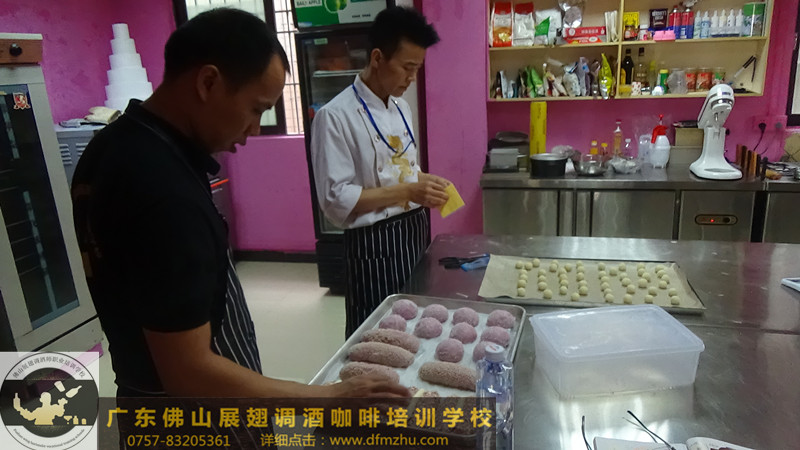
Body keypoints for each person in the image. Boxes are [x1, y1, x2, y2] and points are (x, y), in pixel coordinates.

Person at [71, 8, 407, 399]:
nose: (254, 129)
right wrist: (327, 397)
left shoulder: (111, 144)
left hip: (138, 387)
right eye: (256, 108)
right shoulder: (162, 188)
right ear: (208, 82)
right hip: (192, 415)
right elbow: (189, 372)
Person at [311, 7, 449, 337]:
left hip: (413, 232)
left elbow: (402, 168)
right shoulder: (335, 116)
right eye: (406, 67)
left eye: (417, 69)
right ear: (377, 58)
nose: (411, 78)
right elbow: (336, 199)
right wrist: (408, 191)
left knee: (415, 327)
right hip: (373, 245)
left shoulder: (401, 107)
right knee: (377, 335)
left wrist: (425, 182)